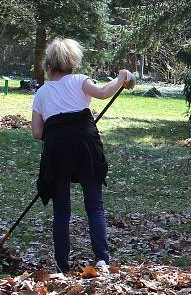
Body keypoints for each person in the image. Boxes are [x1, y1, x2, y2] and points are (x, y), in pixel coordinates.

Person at [31, 37, 134, 273]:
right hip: (86, 146)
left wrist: (58, 127)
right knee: (94, 205)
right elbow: (103, 92)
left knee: (62, 210)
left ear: (49, 67)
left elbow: (37, 133)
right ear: (72, 63)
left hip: (57, 151)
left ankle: (62, 266)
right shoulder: (80, 81)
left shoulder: (42, 92)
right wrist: (121, 78)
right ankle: (102, 260)